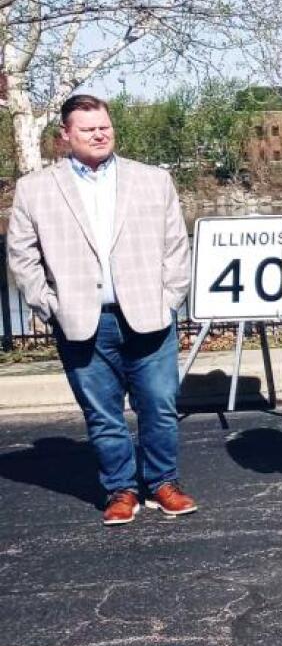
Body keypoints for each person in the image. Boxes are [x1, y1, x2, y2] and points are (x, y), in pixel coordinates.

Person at [6, 94, 197, 525]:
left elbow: (176, 247)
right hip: (80, 321)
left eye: (104, 126)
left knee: (160, 406)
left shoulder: (152, 180)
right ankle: (121, 490)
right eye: (88, 128)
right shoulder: (36, 189)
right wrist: (50, 306)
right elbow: (22, 256)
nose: (99, 134)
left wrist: (170, 298)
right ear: (65, 135)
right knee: (103, 414)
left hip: (150, 316)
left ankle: (163, 483)